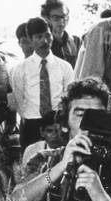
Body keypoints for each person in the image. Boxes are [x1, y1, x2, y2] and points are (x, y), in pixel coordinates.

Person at [8, 17, 74, 148]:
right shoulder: (20, 69)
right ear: (31, 40)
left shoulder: (65, 67)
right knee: (31, 162)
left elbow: (69, 97)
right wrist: (30, 118)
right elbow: (19, 100)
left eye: (48, 36)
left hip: (58, 123)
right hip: (32, 124)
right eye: (38, 37)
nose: (45, 41)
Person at [42, 0, 82, 68]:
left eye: (64, 17)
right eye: (56, 18)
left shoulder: (77, 41)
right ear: (47, 18)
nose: (61, 22)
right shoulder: (42, 44)